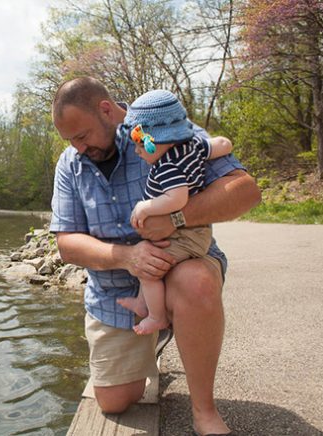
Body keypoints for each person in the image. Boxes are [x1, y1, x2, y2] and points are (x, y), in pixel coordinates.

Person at [49, 77, 260, 435]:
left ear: (105, 109)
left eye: (82, 136)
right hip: (114, 294)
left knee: (195, 282)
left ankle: (204, 412)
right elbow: (67, 242)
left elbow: (245, 192)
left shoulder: (162, 126)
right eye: (70, 141)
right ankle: (155, 336)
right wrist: (129, 257)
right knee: (114, 401)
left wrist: (176, 217)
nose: (79, 148)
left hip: (182, 265)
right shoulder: (71, 164)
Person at [116, 90, 234, 335]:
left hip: (186, 235)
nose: (137, 152)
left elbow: (177, 198)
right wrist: (224, 145)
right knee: (148, 254)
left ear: (157, 140)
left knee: (149, 269)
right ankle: (141, 302)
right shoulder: (194, 146)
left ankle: (156, 317)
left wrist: (145, 206)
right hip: (194, 231)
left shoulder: (167, 166)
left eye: (140, 146)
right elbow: (223, 144)